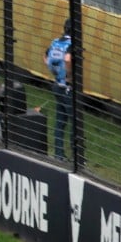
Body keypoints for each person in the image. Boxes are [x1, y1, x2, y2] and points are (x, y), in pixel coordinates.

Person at [44, 19, 74, 161]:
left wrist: (54, 71)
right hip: (68, 87)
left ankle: (59, 154)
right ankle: (77, 157)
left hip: (57, 85)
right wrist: (69, 76)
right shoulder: (72, 44)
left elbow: (46, 56)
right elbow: (67, 59)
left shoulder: (55, 42)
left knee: (60, 122)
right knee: (75, 122)